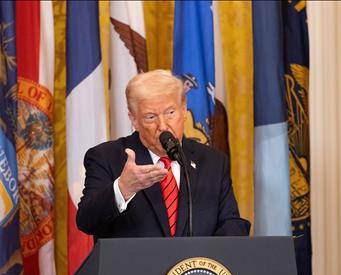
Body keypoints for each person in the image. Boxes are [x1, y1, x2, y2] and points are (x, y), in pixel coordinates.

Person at [76, 69, 250, 239]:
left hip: (197, 260)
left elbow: (230, 222)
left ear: (184, 110)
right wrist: (123, 189)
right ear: (134, 119)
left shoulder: (213, 162)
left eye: (170, 113)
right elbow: (86, 222)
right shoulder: (106, 158)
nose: (163, 126)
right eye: (151, 117)